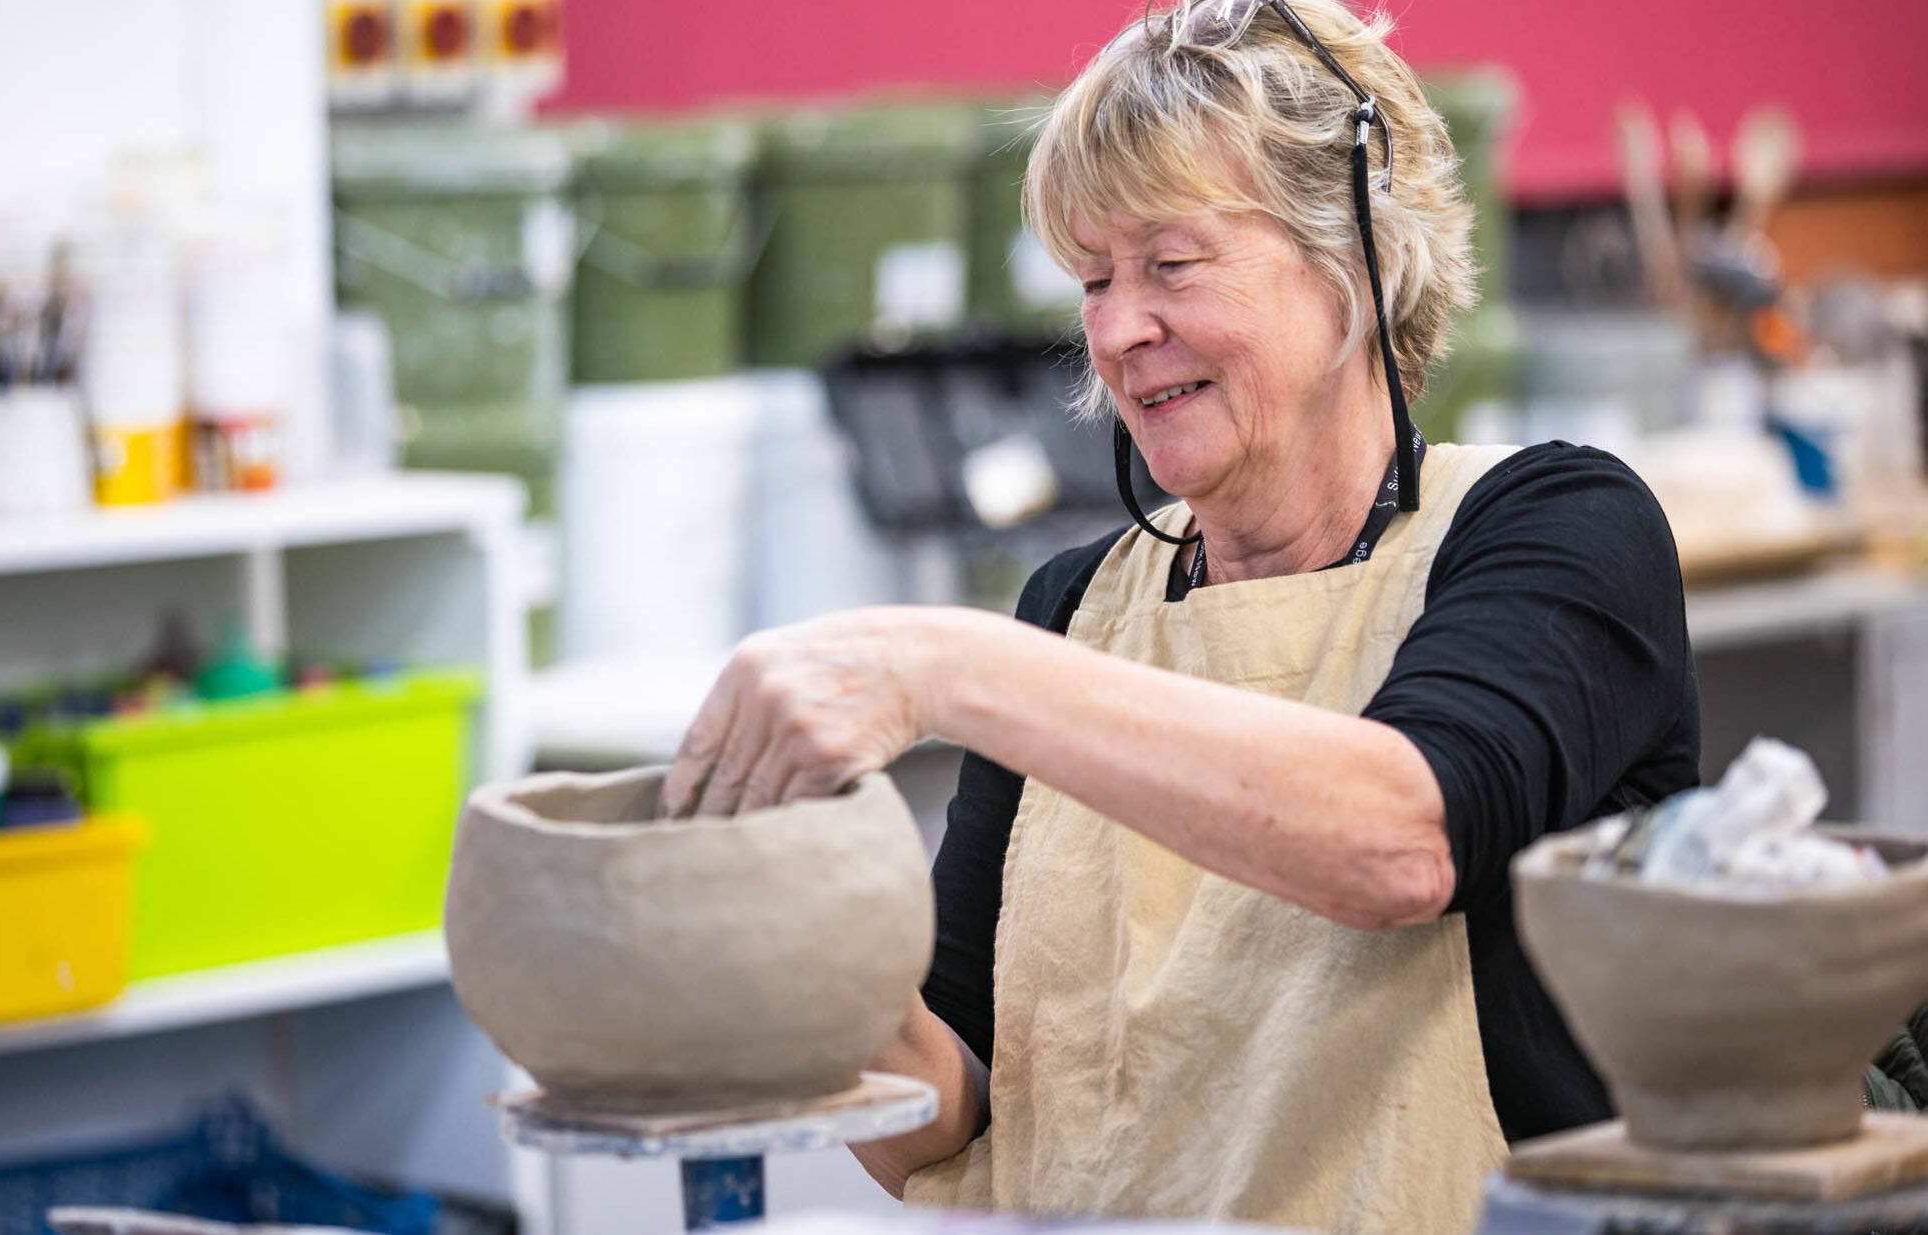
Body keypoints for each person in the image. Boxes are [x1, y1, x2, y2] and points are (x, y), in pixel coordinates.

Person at [659, 0, 1699, 1229]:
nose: (1114, 329)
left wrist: (947, 662)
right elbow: (947, 1119)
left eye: (1170, 264)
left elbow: (1403, 838)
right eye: (1092, 279)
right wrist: (818, 974)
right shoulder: (1069, 614)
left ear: (1355, 259)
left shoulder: (1551, 526)